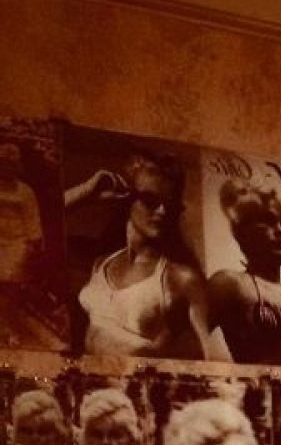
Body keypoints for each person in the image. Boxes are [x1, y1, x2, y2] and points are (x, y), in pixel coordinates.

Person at [67, 152, 211, 360]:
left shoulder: (182, 278)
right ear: (127, 199)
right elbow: (44, 228)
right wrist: (86, 193)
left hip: (133, 379)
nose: (162, 211)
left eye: (170, 204)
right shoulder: (101, 263)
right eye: (150, 200)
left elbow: (215, 360)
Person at [208, 181, 281, 367]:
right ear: (242, 232)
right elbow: (184, 344)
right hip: (261, 385)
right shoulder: (229, 284)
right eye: (268, 221)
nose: (280, 231)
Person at [0, 140, 44, 346]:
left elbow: (32, 220)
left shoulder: (25, 191)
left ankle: (11, 328)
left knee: (11, 286)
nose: (6, 168)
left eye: (10, 164)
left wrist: (32, 245)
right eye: (3, 163)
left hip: (16, 242)